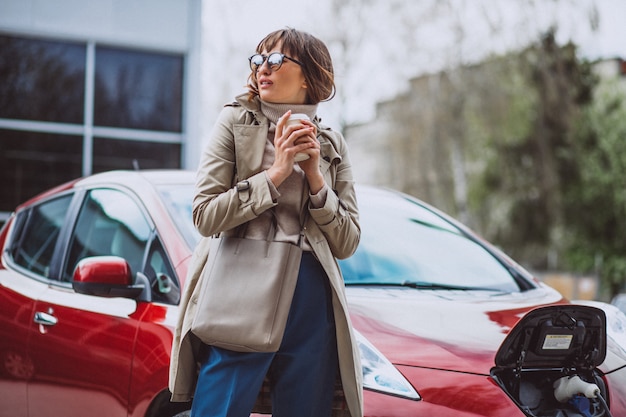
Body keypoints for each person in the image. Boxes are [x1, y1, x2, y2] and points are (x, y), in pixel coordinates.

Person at [168, 28, 363, 417]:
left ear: (308, 75)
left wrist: (315, 179)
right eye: (258, 60)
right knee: (218, 409)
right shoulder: (235, 122)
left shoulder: (331, 142)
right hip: (242, 286)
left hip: (312, 293)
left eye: (275, 60)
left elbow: (347, 242)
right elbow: (205, 215)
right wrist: (275, 174)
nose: (263, 69)